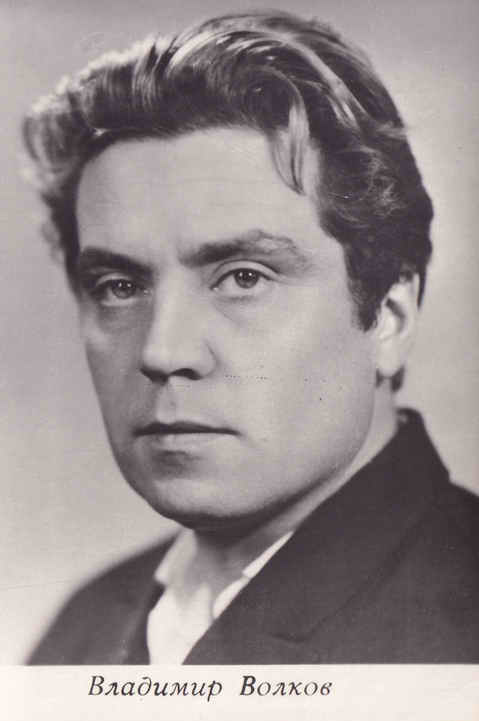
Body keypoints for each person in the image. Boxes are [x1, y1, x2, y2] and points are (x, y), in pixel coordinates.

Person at [23, 10, 479, 664]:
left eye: (243, 278)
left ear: (389, 315)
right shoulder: (83, 628)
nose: (162, 352)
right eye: (119, 286)